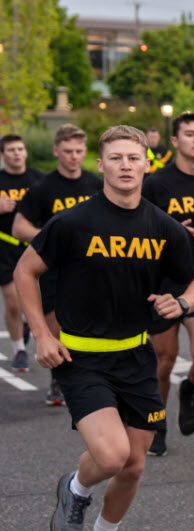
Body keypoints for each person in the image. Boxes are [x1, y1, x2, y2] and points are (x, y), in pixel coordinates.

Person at [17, 125, 194, 531]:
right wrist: (43, 335)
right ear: (99, 165)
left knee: (135, 464)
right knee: (110, 456)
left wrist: (182, 303)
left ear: (147, 164)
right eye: (117, 158)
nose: (126, 165)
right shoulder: (73, 223)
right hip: (81, 358)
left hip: (135, 356)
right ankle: (75, 486)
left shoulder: (161, 226)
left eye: (134, 158)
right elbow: (27, 272)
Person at [140, 112, 194, 455]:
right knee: (164, 360)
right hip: (160, 283)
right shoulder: (156, 184)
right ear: (174, 141)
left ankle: (189, 390)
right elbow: (138, 227)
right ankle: (158, 421)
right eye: (190, 134)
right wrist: (170, 235)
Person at [12, 124, 103, 406]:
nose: (73, 157)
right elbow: (18, 228)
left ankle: (95, 378)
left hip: (93, 269)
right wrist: (52, 239)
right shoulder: (43, 189)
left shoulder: (96, 185)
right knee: (58, 331)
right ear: (56, 152)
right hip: (55, 273)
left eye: (78, 151)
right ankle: (58, 379)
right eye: (67, 151)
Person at [0, 134, 43, 373]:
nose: (17, 153)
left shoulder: (39, 180)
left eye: (20, 148)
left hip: (34, 246)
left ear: (25, 152)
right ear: (2, 155)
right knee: (13, 303)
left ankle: (27, 325)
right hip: (4, 246)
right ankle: (19, 349)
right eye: (11, 150)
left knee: (35, 299)